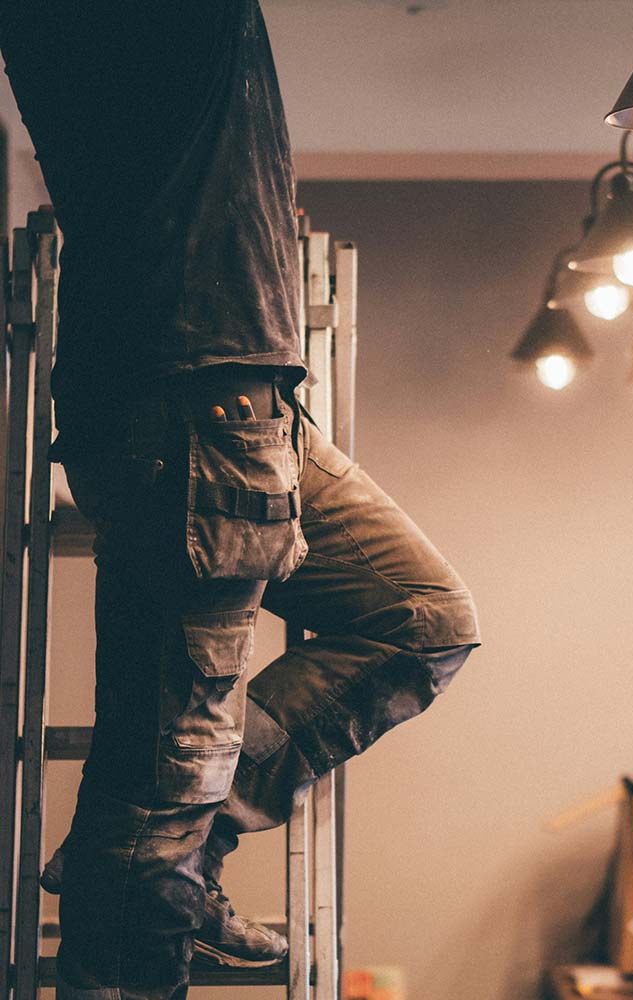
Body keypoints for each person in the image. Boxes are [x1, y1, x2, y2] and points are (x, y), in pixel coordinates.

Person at [0, 3, 481, 998]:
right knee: (163, 771)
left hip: (230, 404)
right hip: (195, 407)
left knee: (423, 615)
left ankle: (199, 832)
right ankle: (150, 902)